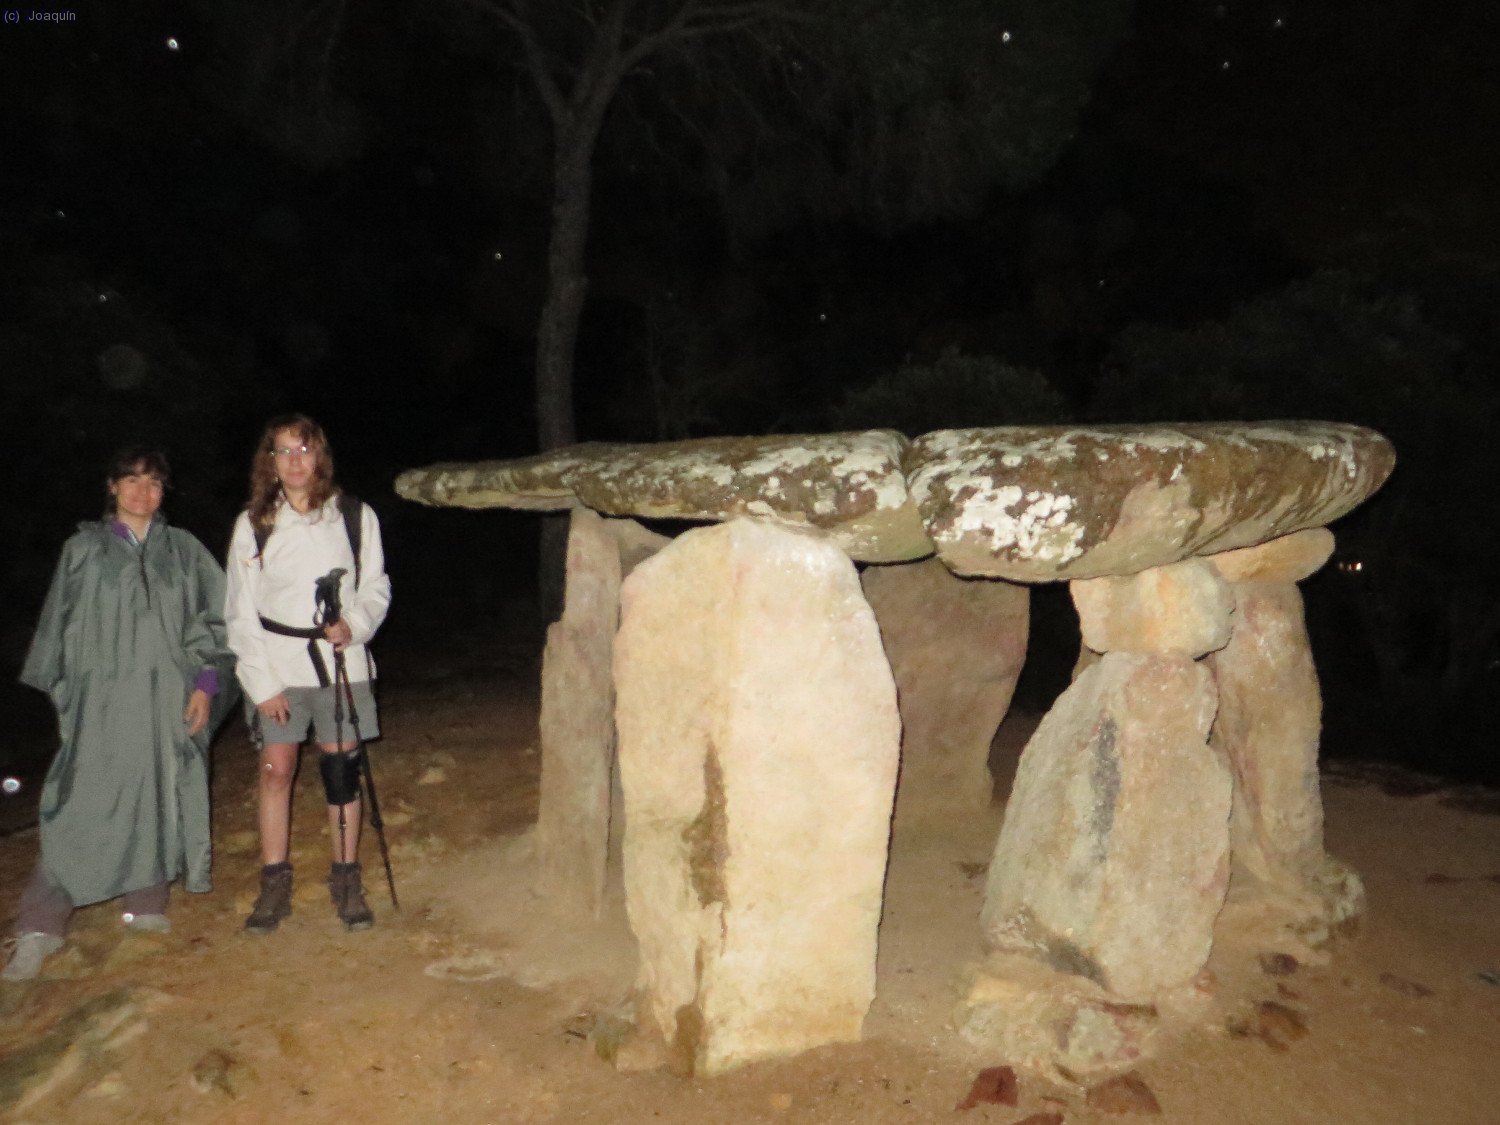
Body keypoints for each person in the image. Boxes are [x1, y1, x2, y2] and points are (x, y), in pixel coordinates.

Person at [5, 447, 235, 982]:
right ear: (112, 487)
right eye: (132, 481)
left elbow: (217, 619)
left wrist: (204, 683)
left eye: (154, 483)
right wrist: (72, 695)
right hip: (102, 701)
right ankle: (40, 924)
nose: (142, 492)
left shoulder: (183, 550)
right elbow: (57, 630)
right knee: (81, 802)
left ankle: (145, 902)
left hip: (168, 699)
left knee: (157, 792)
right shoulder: (83, 549)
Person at [226, 414, 390, 934]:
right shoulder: (254, 523)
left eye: (303, 450)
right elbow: (239, 610)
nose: (295, 461)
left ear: (319, 455)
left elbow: (376, 586)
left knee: (342, 772)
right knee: (277, 770)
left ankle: (346, 877)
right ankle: (275, 881)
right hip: (279, 663)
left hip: (342, 663)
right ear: (269, 462)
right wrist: (263, 684)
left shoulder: (352, 515)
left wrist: (354, 625)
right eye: (283, 451)